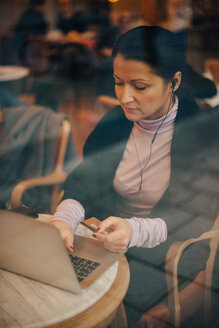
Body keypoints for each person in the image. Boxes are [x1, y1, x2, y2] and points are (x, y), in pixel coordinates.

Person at [50, 26, 209, 326]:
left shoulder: (200, 133)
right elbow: (85, 179)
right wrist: (64, 218)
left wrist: (134, 230)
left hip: (164, 250)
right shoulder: (115, 123)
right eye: (118, 83)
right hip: (107, 241)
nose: (125, 98)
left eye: (140, 86)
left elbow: (196, 215)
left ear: (173, 81)